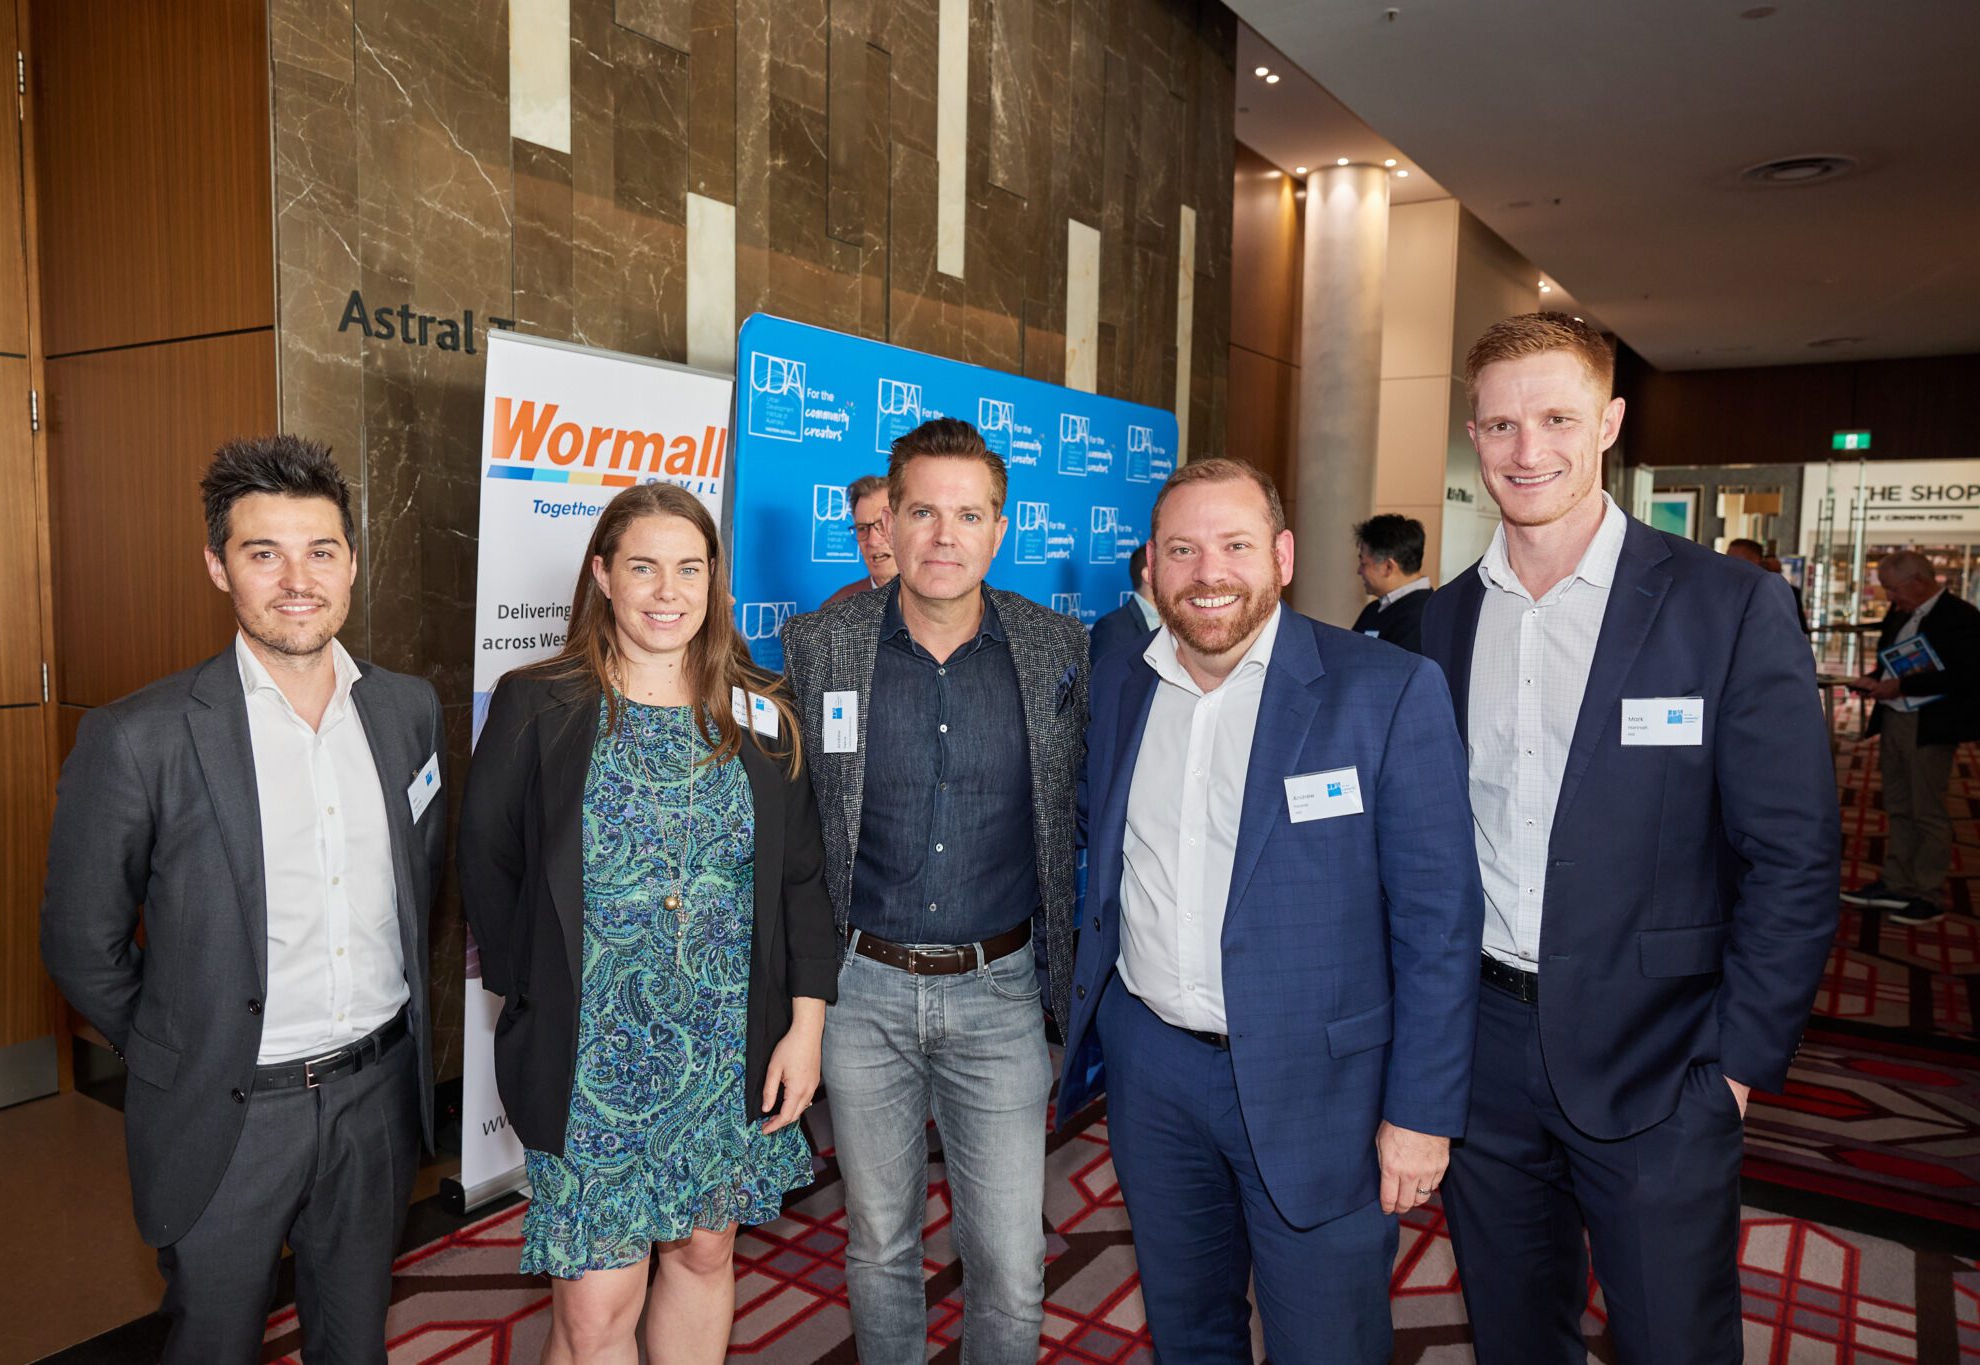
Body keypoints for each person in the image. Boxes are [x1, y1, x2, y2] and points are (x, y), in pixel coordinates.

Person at [1421, 314, 1839, 1365]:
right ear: (1473, 436)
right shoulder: (1439, 624)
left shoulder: (1728, 606)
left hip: (1665, 1056)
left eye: (1557, 419)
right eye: (1502, 425)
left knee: (1672, 1341)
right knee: (1514, 1337)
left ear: (1607, 423)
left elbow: (1792, 857)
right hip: (1480, 1051)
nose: (1529, 450)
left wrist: (1735, 1067)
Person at [1056, 458, 1481, 1363]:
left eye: (1235, 545)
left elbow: (1439, 923)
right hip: (1154, 1074)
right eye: (1182, 550)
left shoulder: (1385, 689)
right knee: (1188, 1332)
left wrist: (1422, 1111)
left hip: (1324, 1091)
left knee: (1327, 1343)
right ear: (1151, 566)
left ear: (1282, 556)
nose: (1208, 572)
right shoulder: (1120, 682)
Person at [40, 436, 445, 1364]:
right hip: (228, 1111)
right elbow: (80, 942)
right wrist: (176, 1044)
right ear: (218, 566)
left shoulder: (407, 710)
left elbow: (422, 881)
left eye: (321, 551)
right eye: (265, 553)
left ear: (352, 563)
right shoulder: (140, 737)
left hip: (376, 1095)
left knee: (356, 1343)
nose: (298, 580)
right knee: (213, 1344)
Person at [457, 483, 835, 1365]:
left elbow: (802, 879)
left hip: (726, 1044)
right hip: (591, 1056)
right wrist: (536, 993)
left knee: (704, 1254)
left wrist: (806, 1027)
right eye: (643, 567)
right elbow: (486, 860)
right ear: (602, 575)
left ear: (714, 580)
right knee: (596, 1311)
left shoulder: (763, 707)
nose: (669, 591)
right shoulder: (538, 702)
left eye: (689, 569)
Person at [778, 418, 1088, 1364]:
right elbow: (791, 829)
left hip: (1001, 995)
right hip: (861, 992)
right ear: (889, 524)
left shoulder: (1057, 648)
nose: (944, 535)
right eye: (922, 512)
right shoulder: (821, 644)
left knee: (1010, 1263)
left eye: (969, 515)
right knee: (879, 1245)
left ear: (1000, 530)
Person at [1840, 550, 1980, 926]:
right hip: (1896, 718)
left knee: (1927, 811)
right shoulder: (1901, 612)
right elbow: (1893, 660)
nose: (1890, 597)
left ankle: (1927, 894)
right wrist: (1874, 679)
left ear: (1919, 581)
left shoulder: (1961, 617)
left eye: (1893, 589)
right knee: (1899, 805)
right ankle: (1897, 883)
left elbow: (1964, 676)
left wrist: (1902, 685)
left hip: (1931, 724)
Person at [1350, 513, 1434, 651]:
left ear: (1388, 567)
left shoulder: (1424, 616)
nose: (1359, 571)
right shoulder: (1373, 609)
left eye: (1364, 564)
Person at [821, 474, 897, 606]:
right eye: (862, 528)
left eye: (882, 525)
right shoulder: (836, 607)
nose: (872, 541)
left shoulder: (935, 598)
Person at [1087, 542, 1160, 663]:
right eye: (1166, 568)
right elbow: (1105, 674)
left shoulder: (1178, 623)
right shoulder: (1111, 628)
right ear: (1148, 575)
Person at [1728, 537, 1808, 631]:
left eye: (1735, 560)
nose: (1728, 564)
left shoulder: (1778, 593)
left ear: (1756, 561)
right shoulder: (1727, 590)